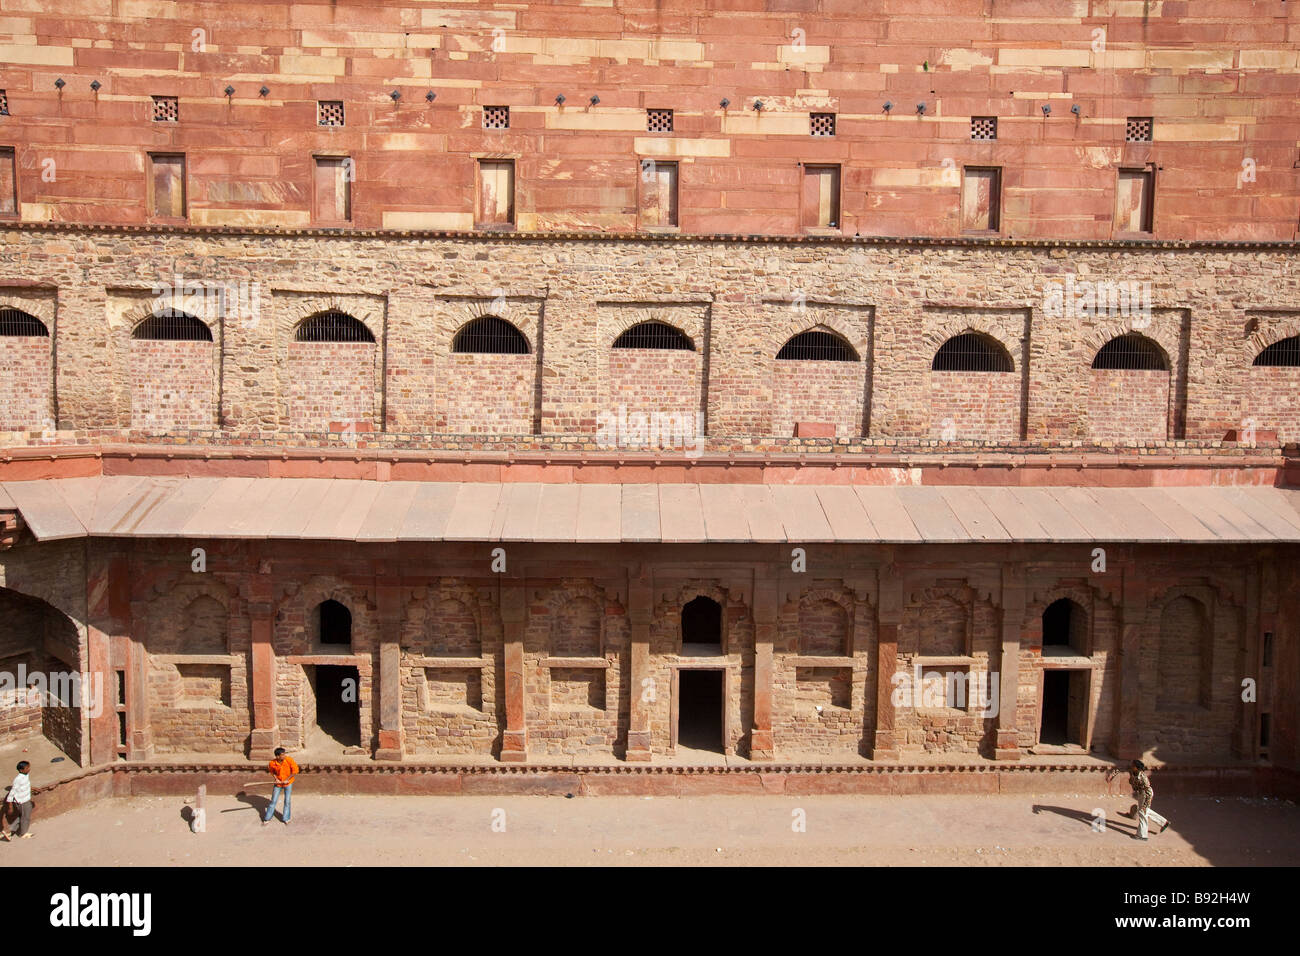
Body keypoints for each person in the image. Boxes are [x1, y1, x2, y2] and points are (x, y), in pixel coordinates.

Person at [1108, 759, 1167, 840]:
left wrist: (1146, 804)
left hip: (1146, 794)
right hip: (1140, 793)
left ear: (1137, 768)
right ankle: (1163, 822)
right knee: (1143, 811)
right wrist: (1112, 776)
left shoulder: (1143, 777)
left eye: (1133, 766)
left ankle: (1142, 835)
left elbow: (1148, 792)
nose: (1131, 766)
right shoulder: (1132, 771)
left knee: (1143, 813)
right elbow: (1120, 769)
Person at [262, 748, 298, 827]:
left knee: (287, 801)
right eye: (282, 755)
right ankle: (267, 818)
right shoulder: (272, 763)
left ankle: (286, 818)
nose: (284, 756)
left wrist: (287, 779)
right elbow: (272, 772)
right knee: (273, 801)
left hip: (288, 783)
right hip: (278, 784)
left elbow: (295, 771)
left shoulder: (289, 760)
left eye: (284, 754)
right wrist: (276, 779)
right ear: (277, 756)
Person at [3, 761, 34, 840]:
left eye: (29, 767)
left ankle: (8, 831)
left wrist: (34, 788)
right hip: (22, 802)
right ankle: (23, 833)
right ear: (21, 770)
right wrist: (10, 806)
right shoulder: (18, 779)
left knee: (22, 816)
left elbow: (25, 785)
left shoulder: (26, 775)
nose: (29, 769)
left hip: (26, 799)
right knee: (25, 817)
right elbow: (12, 793)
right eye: (27, 768)